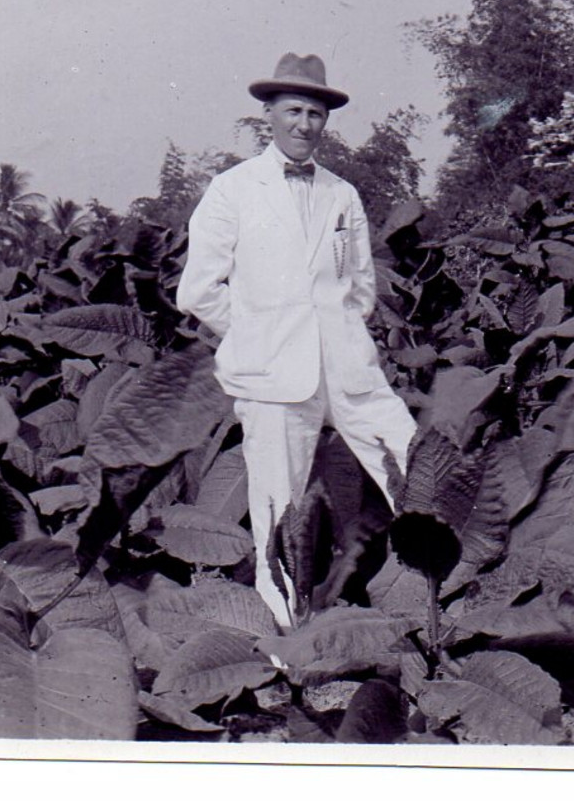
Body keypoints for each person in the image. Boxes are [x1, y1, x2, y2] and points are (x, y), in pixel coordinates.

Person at [177, 53, 416, 625]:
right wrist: (260, 337)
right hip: (272, 375)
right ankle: (287, 649)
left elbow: (359, 286)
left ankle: (437, 612)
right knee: (279, 515)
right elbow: (198, 291)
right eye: (293, 111)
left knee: (416, 469)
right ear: (269, 114)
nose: (304, 124)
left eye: (315, 113)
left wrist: (337, 332)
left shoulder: (342, 194)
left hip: (349, 369)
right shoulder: (232, 190)